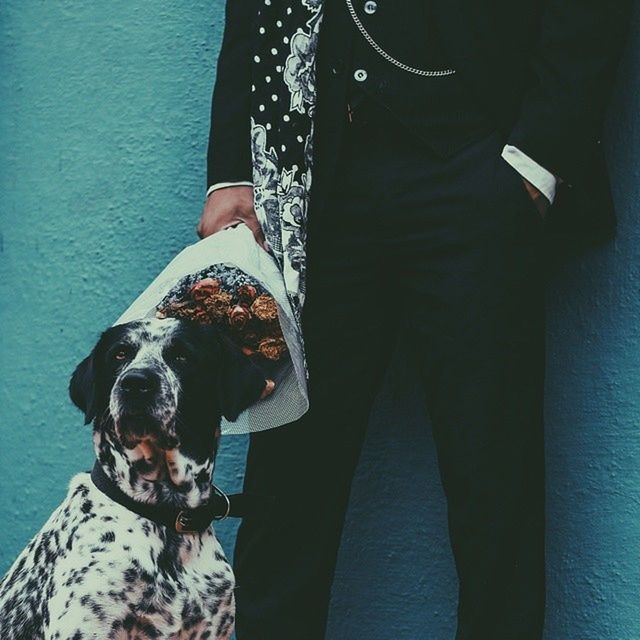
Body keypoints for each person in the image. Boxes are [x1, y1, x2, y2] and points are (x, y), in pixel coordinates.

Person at [197, 1, 631, 638]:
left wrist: (538, 158)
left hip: (478, 169)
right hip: (316, 180)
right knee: (287, 493)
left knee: (494, 496)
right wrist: (233, 171)